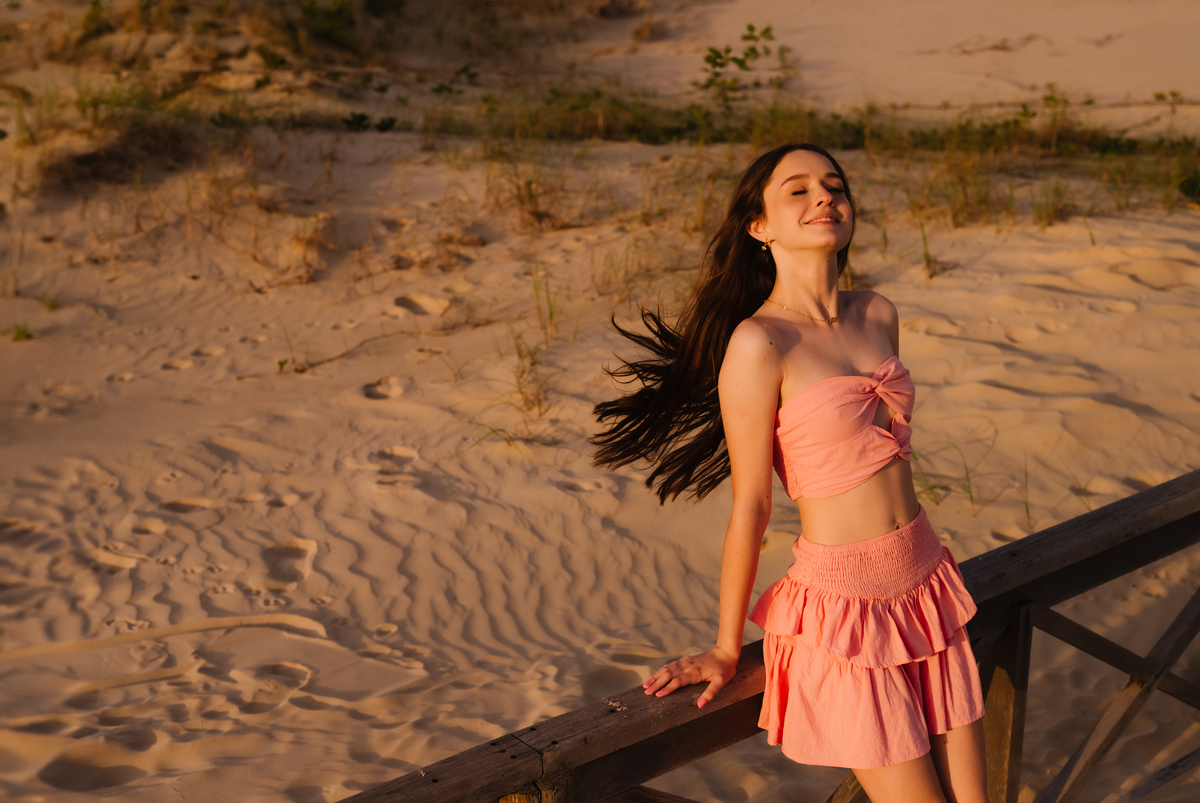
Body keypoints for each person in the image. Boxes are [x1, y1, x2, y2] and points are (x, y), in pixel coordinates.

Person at [591, 143, 987, 803]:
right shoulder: (758, 343)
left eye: (834, 185)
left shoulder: (878, 313)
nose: (824, 197)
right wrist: (726, 645)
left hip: (927, 585)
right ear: (759, 227)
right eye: (797, 190)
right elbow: (751, 504)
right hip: (845, 610)